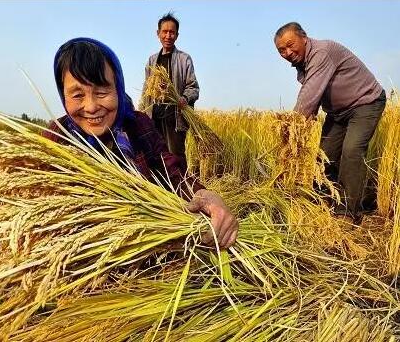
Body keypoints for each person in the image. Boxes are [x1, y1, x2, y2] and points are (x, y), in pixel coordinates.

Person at [43, 37, 237, 248]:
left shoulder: (137, 126)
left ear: (118, 88)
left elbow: (172, 174)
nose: (90, 107)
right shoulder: (56, 138)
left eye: (101, 92)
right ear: (63, 96)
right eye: (77, 95)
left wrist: (206, 196)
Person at [274, 22, 386, 223]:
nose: (288, 52)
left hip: (365, 103)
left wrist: (292, 128)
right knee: (324, 156)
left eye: (291, 45)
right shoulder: (302, 64)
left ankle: (348, 212)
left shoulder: (321, 52)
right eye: (282, 50)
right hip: (338, 113)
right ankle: (323, 202)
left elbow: (310, 94)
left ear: (304, 38)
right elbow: (313, 94)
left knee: (351, 152)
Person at [142, 12, 199, 161]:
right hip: (155, 116)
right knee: (157, 155)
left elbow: (193, 87)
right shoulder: (152, 60)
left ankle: (181, 184)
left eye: (172, 32)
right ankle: (161, 184)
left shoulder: (184, 59)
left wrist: (185, 98)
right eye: (165, 32)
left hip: (175, 117)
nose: (168, 36)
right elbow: (146, 90)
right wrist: (142, 112)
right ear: (158, 33)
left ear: (177, 35)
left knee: (176, 156)